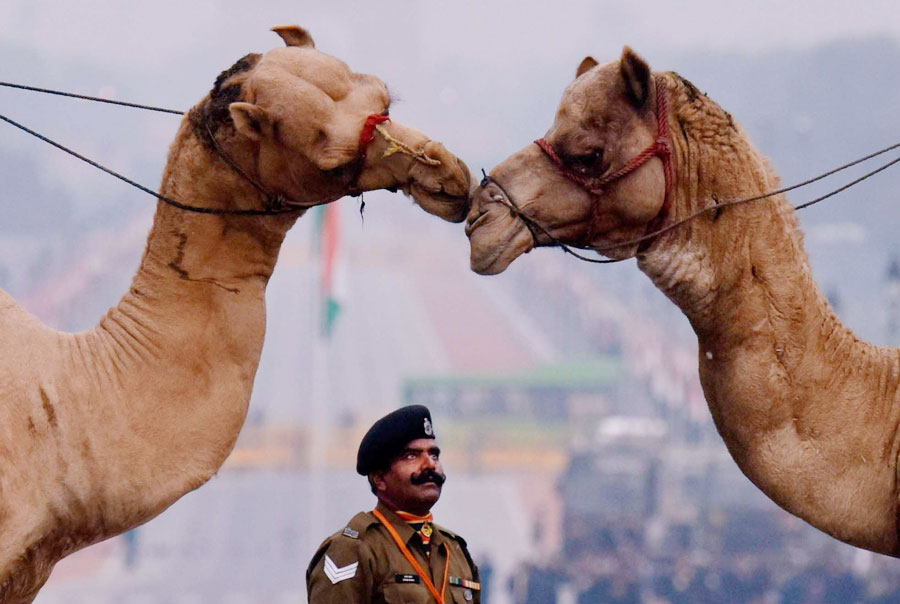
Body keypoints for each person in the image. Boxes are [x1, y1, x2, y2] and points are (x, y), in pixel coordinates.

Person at [307, 405, 481, 603]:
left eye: (434, 455)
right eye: (412, 456)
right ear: (379, 478)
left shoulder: (453, 550)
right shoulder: (354, 549)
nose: (430, 464)